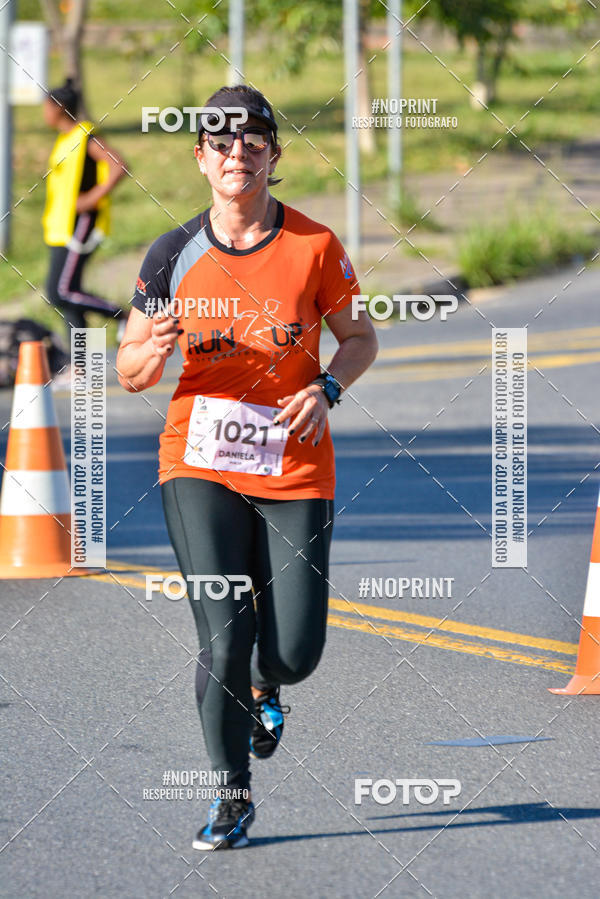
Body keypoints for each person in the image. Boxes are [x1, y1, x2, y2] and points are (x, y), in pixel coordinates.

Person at [116, 84, 378, 850]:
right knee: (223, 637)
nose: (238, 155)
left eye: (254, 142)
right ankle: (231, 795)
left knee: (295, 650)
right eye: (222, 144)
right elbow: (131, 368)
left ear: (274, 156)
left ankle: (268, 686)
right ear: (200, 160)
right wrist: (149, 351)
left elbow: (360, 338)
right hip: (197, 462)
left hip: (295, 463)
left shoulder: (316, 246)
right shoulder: (171, 254)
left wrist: (326, 387)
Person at [42, 78, 128, 362]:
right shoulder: (63, 140)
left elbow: (118, 166)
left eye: (47, 106)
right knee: (70, 295)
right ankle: (81, 366)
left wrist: (93, 197)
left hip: (79, 224)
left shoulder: (85, 135)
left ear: (59, 107)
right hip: (59, 227)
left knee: (60, 292)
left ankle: (122, 315)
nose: (43, 112)